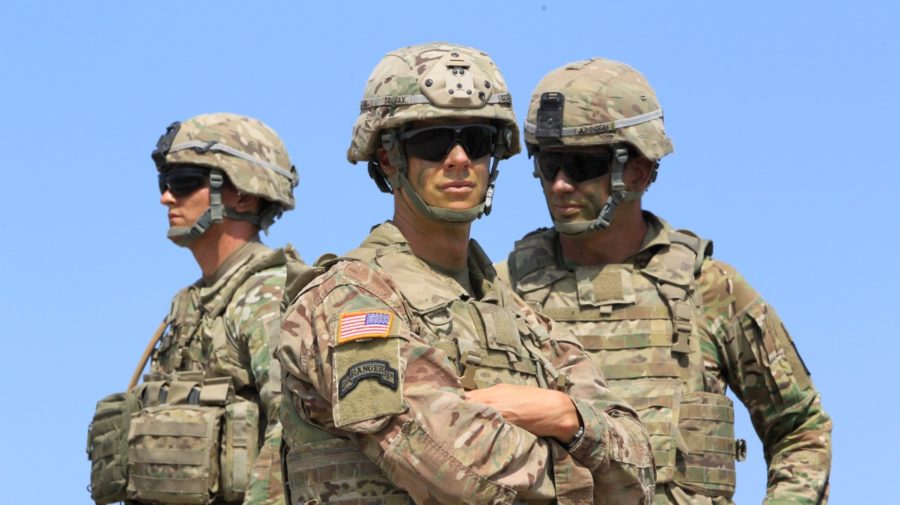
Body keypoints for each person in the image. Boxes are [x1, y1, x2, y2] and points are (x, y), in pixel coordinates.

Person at [276, 43, 655, 505]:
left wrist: (567, 417)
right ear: (389, 159)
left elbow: (640, 466)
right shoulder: (348, 301)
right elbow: (455, 466)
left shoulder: (520, 318)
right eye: (432, 142)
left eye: (475, 141)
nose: (458, 159)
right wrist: (584, 466)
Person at [497, 58, 832, 505]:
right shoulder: (500, 293)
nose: (559, 185)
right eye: (548, 163)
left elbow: (800, 427)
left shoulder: (709, 290)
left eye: (580, 165)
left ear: (638, 170)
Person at [87, 113, 319, 505]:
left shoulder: (267, 295)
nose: (166, 197)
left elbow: (295, 429)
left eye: (183, 182)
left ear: (243, 194)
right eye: (164, 183)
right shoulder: (189, 305)